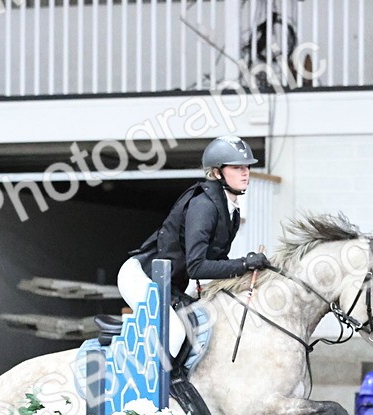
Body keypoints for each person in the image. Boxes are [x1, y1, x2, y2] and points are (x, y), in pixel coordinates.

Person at [116, 135, 272, 354]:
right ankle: (167, 388)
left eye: (246, 167)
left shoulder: (230, 208)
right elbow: (197, 267)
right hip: (142, 277)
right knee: (177, 333)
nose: (245, 172)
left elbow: (216, 262)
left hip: (171, 281)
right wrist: (244, 264)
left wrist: (247, 273)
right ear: (217, 173)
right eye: (236, 167)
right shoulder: (204, 206)